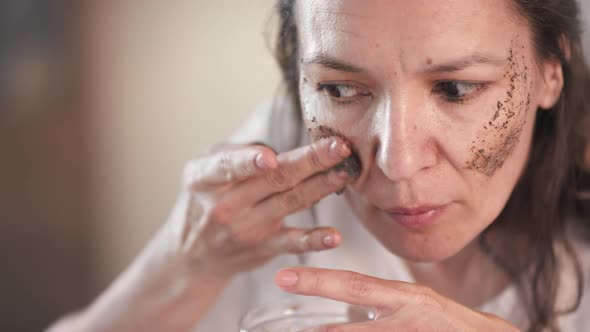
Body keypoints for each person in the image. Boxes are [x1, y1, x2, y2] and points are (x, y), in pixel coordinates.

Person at [49, 0, 590, 331]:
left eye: (455, 89)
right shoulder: (277, 163)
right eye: (340, 89)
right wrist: (183, 266)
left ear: (551, 70)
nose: (398, 163)